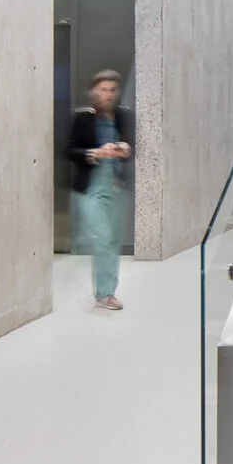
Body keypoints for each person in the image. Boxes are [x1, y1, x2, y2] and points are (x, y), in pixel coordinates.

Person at [66, 69, 133, 311]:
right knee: (102, 239)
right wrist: (95, 153)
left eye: (113, 90)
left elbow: (134, 145)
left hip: (117, 187)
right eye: (103, 90)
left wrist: (125, 149)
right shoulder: (83, 119)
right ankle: (104, 294)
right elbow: (70, 151)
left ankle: (108, 291)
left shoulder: (124, 117)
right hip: (91, 187)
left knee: (113, 241)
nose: (108, 95)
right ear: (94, 92)